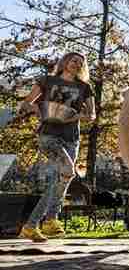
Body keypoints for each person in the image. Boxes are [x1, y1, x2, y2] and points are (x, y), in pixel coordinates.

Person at [16, 52, 95, 242]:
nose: (76, 64)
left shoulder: (84, 87)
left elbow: (91, 115)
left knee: (62, 178)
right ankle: (41, 221)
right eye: (73, 60)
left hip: (71, 138)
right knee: (67, 171)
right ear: (65, 62)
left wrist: (76, 116)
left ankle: (42, 223)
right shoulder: (46, 80)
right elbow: (26, 103)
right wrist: (40, 109)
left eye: (80, 63)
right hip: (49, 136)